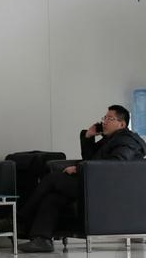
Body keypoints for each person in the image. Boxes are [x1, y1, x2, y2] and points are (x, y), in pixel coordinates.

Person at [18, 105, 146, 253]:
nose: (104, 122)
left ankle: (20, 218)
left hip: (108, 190)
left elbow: (116, 166)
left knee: (52, 180)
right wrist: (88, 137)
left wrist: (79, 168)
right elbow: (91, 159)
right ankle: (42, 240)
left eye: (110, 119)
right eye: (104, 118)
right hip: (94, 184)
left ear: (122, 124)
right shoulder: (111, 140)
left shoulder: (127, 141)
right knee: (54, 197)